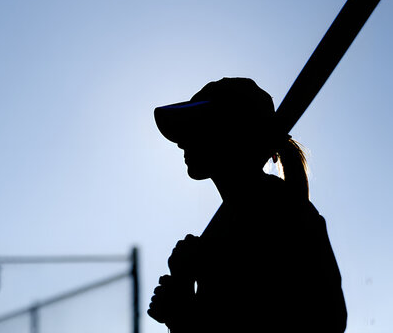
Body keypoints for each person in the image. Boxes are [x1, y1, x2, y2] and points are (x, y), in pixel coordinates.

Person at [147, 78, 347, 332]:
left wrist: (183, 310)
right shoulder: (231, 225)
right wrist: (181, 312)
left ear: (233, 132)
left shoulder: (276, 213)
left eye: (198, 127)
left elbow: (321, 322)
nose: (181, 142)